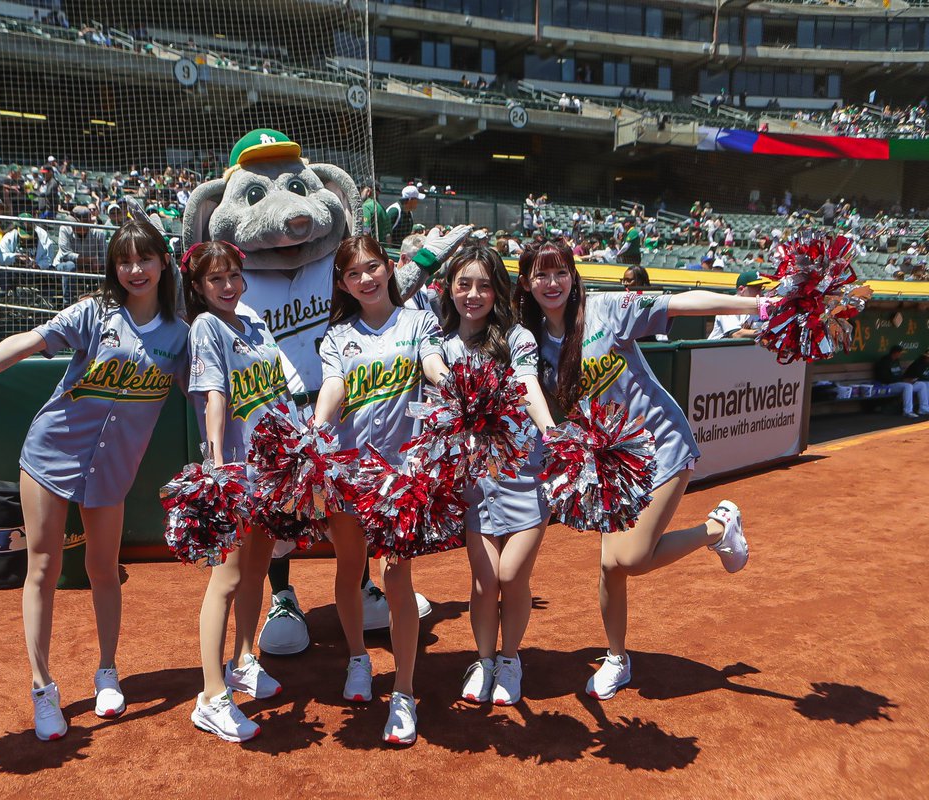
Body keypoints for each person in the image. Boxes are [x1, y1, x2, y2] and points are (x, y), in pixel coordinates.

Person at [0, 221, 189, 742]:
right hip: (51, 455)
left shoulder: (180, 335)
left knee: (103, 568)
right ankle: (41, 686)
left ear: (164, 263)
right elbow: (26, 342)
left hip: (113, 471)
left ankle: (107, 671)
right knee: (43, 567)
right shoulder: (94, 312)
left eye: (145, 259)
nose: (134, 270)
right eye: (124, 261)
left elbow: (204, 393)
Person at [516, 242, 754, 701]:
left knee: (628, 559)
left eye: (560, 272)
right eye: (541, 275)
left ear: (574, 276)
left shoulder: (608, 309)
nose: (552, 283)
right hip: (608, 462)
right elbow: (528, 387)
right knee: (611, 566)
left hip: (660, 446)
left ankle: (717, 527)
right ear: (526, 283)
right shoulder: (529, 338)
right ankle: (617, 658)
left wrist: (759, 304)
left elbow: (680, 303)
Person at [312, 234, 448, 745]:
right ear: (343, 284)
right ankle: (357, 659)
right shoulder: (336, 337)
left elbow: (433, 366)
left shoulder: (419, 322)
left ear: (390, 268)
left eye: (373, 267)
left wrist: (451, 383)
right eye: (353, 274)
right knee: (350, 571)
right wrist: (316, 430)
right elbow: (334, 389)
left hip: (401, 475)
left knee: (397, 579)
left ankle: (406, 692)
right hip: (350, 472)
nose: (366, 278)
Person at [439, 245, 556, 707]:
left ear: (498, 291)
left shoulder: (518, 337)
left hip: (525, 471)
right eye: (464, 283)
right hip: (474, 481)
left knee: (510, 575)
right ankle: (485, 662)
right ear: (450, 288)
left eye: (484, 285)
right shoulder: (442, 344)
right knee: (484, 581)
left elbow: (527, 387)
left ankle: (511, 659)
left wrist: (554, 433)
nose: (474, 294)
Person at [183, 241, 288, 743]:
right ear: (199, 288)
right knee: (225, 580)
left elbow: (278, 392)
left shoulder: (253, 324)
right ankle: (210, 696)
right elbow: (215, 398)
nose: (227, 286)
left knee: (256, 570)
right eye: (215, 279)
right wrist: (219, 465)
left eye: (232, 276)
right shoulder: (206, 327)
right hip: (239, 470)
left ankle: (245, 660)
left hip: (274, 467)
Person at [709, 270, 768, 339]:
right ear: (741, 289)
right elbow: (736, 335)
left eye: (762, 288)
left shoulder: (759, 307)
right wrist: (766, 332)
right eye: (757, 288)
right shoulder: (728, 305)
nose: (761, 293)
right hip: (714, 348)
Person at [875, 346, 928, 419]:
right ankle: (907, 411)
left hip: (899, 384)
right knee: (907, 386)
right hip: (888, 386)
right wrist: (903, 381)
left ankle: (924, 409)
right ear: (896, 353)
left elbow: (899, 374)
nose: (901, 355)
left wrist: (907, 380)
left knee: (921, 384)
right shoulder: (884, 362)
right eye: (900, 353)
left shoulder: (896, 361)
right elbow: (885, 378)